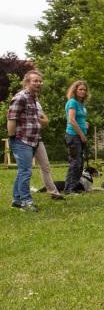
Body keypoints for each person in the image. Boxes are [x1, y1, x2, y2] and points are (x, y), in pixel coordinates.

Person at [7, 70, 44, 211]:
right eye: (35, 80)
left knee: (23, 170)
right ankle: (25, 202)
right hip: (21, 140)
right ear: (27, 82)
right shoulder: (20, 97)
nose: (38, 83)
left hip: (32, 140)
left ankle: (16, 200)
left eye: (40, 81)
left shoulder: (33, 98)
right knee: (26, 171)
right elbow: (11, 119)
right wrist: (13, 139)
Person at [33, 99, 65, 200]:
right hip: (23, 141)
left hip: (38, 138)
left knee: (46, 166)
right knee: (25, 170)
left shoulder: (37, 104)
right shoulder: (19, 100)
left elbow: (46, 121)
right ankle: (21, 196)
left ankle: (54, 193)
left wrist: (35, 118)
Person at [63, 80, 90, 194]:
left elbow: (79, 119)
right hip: (73, 136)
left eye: (84, 90)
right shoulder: (72, 102)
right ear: (75, 90)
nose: (83, 91)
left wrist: (85, 124)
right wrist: (81, 134)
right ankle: (69, 189)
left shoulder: (81, 104)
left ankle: (74, 187)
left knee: (80, 163)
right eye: (80, 89)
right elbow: (71, 120)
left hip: (79, 136)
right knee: (75, 163)